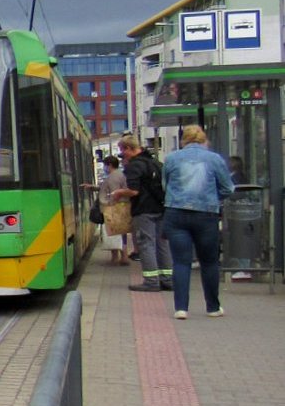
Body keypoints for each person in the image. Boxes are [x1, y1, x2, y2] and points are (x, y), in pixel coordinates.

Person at [161, 124, 234, 319]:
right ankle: (212, 307)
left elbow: (165, 185)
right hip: (206, 215)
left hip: (175, 213)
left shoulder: (171, 158)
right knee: (209, 262)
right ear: (204, 139)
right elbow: (228, 188)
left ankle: (181, 308)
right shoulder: (214, 159)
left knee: (181, 262)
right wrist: (211, 198)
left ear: (184, 140)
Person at [115, 135, 169, 293]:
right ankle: (167, 279)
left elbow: (133, 190)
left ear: (128, 148)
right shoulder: (156, 163)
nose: (122, 155)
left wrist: (119, 192)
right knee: (162, 243)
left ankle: (151, 281)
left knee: (146, 244)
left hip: (144, 210)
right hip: (161, 207)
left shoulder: (134, 166)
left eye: (122, 151)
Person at [94, 155, 130, 265]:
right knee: (120, 233)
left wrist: (108, 204)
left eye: (105, 165)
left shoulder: (113, 177)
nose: (104, 168)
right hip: (122, 206)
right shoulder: (121, 174)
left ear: (109, 165)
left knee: (115, 233)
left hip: (114, 208)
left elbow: (113, 193)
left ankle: (121, 257)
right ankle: (120, 256)